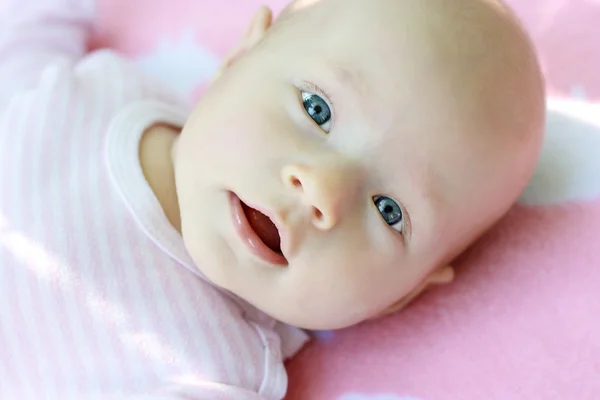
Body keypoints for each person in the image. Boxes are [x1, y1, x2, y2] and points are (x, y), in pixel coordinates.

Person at [0, 0, 545, 398]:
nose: (322, 191)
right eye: (317, 109)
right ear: (241, 56)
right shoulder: (92, 94)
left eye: (389, 210)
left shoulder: (211, 373)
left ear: (400, 296)